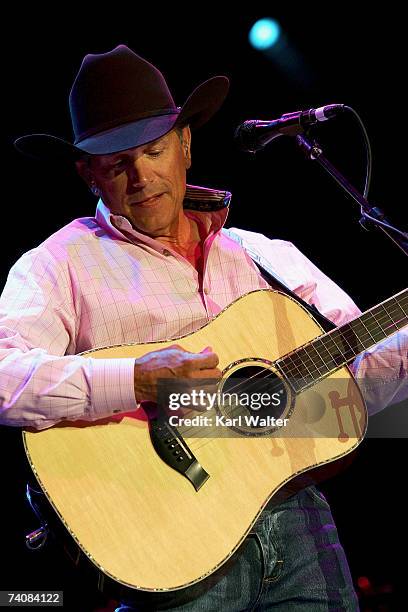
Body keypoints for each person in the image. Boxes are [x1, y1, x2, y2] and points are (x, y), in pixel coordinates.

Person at [1, 44, 407, 611]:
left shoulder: (264, 257)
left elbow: (358, 381)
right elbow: (4, 379)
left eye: (154, 150)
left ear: (186, 145)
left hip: (298, 523)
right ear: (88, 173)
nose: (141, 176)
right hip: (169, 532)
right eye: (118, 162)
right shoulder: (58, 265)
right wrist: (133, 380)